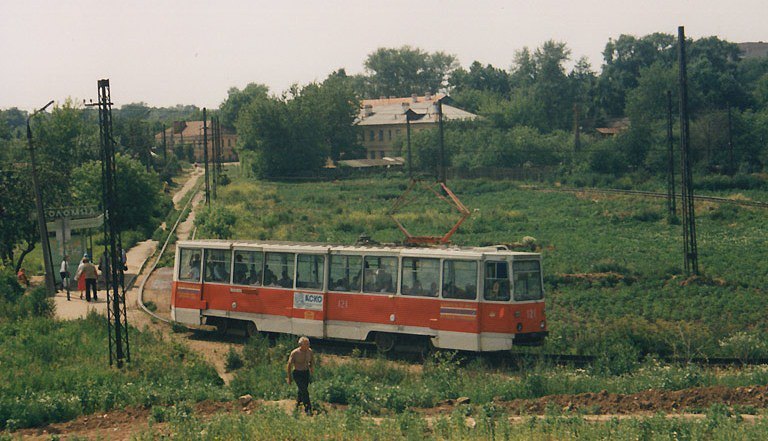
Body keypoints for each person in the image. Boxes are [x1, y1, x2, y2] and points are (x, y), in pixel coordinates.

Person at [286, 336, 314, 414]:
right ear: (301, 344)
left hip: (306, 373)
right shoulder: (295, 353)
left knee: (301, 390)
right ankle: (308, 407)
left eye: (308, 344)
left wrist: (312, 372)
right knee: (304, 390)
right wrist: (289, 377)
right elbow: (289, 365)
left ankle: (298, 403)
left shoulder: (310, 351)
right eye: (306, 344)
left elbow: (312, 362)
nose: (308, 345)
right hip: (297, 373)